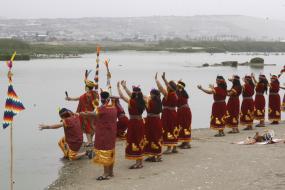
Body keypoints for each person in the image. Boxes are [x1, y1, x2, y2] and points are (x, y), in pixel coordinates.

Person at [80, 91, 117, 180]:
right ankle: (111, 172)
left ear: (101, 99)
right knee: (111, 151)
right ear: (108, 99)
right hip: (112, 133)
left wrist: (83, 113)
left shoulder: (101, 109)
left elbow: (92, 113)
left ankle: (105, 173)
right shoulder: (113, 107)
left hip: (103, 133)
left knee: (104, 151)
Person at [117, 81, 146, 169]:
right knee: (139, 139)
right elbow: (132, 95)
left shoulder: (132, 101)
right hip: (140, 121)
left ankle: (138, 162)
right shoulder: (143, 101)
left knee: (134, 140)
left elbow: (122, 97)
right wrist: (125, 87)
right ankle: (140, 161)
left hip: (133, 122)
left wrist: (119, 88)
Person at [66, 79, 99, 146]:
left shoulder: (86, 95)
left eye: (85, 86)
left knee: (87, 128)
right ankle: (90, 141)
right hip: (93, 112)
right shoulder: (95, 93)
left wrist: (70, 99)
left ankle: (89, 142)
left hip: (86, 113)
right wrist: (71, 99)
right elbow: (95, 104)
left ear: (87, 87)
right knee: (92, 127)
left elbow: (80, 98)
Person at [155, 72, 179, 154]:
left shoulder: (169, 94)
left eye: (168, 86)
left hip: (168, 114)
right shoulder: (175, 93)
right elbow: (167, 87)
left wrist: (158, 80)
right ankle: (174, 147)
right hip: (173, 113)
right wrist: (164, 79)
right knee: (173, 128)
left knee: (168, 128)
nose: (167, 87)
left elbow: (162, 88)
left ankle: (169, 147)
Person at [144, 88, 163, 162]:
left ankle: (153, 155)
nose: (150, 95)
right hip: (157, 120)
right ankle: (157, 156)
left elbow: (145, 100)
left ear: (154, 95)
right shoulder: (159, 101)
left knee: (151, 137)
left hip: (151, 121)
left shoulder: (151, 102)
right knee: (156, 137)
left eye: (151, 94)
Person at [176, 80, 192, 149]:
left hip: (185, 111)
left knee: (186, 126)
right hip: (181, 111)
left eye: (178, 86)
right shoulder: (179, 93)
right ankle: (184, 142)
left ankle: (187, 143)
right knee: (182, 126)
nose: (176, 87)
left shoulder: (182, 94)